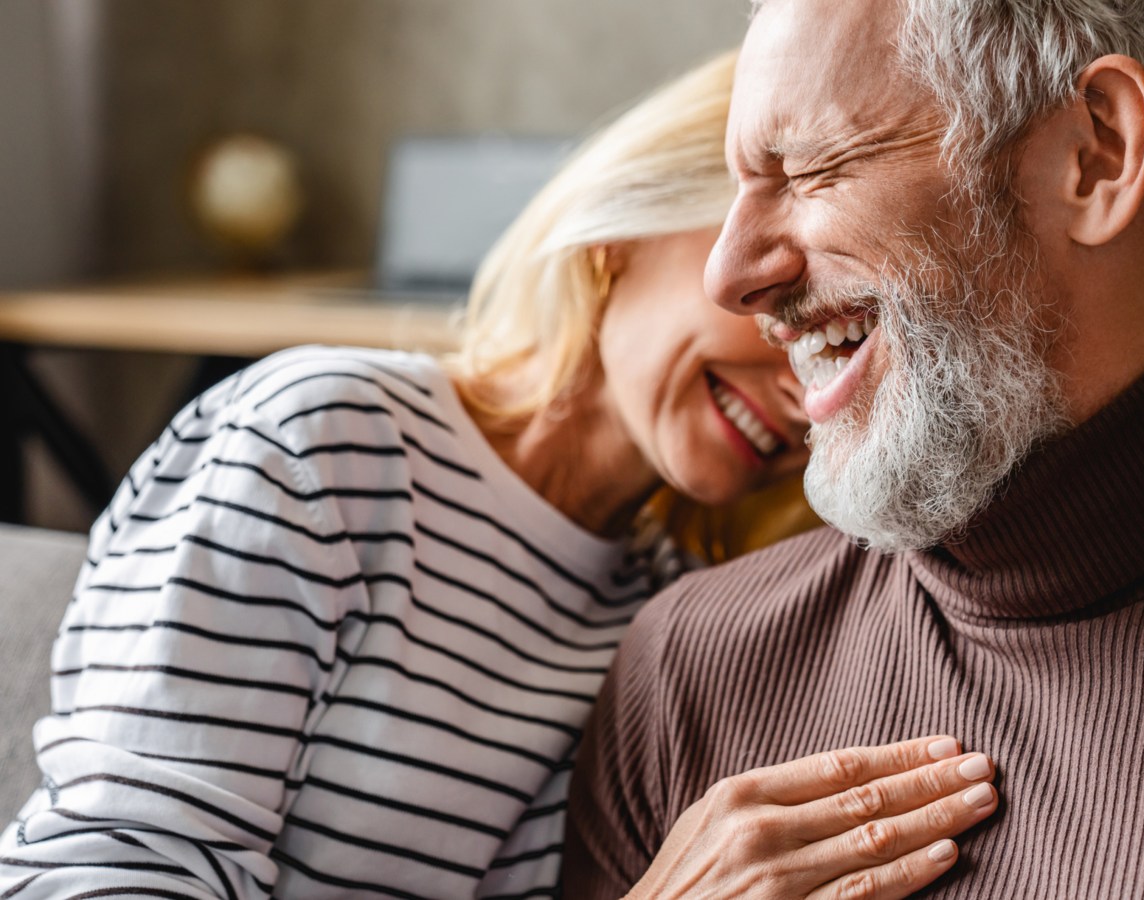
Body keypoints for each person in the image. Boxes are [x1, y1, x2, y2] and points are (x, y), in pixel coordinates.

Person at [0, 52, 1001, 899]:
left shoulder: (664, 616)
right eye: (783, 299)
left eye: (844, 342)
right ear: (631, 229)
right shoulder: (326, 443)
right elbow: (115, 869)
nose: (802, 392)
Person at [565, 0, 1144, 897]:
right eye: (739, 183)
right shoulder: (690, 670)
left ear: (1095, 154)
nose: (731, 271)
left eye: (810, 169)